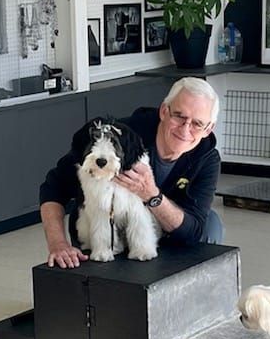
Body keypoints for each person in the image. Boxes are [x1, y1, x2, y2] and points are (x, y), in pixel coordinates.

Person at [40, 77, 224, 268]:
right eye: (179, 116)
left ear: (208, 129)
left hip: (164, 230)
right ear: (164, 111)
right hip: (101, 224)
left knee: (211, 224)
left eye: (197, 123)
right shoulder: (119, 137)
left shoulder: (207, 159)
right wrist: (58, 244)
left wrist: (151, 195)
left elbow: (193, 231)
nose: (185, 130)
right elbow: (53, 186)